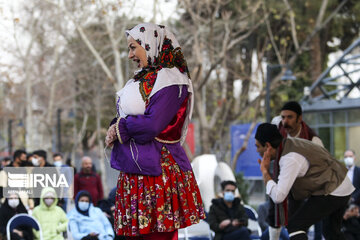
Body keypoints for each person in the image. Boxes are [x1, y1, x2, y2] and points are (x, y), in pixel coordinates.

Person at [105, 23, 205, 239]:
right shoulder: (144, 78)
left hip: (158, 174)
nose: (130, 55)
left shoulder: (171, 80)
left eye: (133, 48)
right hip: (138, 174)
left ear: (150, 44)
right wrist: (115, 126)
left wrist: (121, 126)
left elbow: (152, 125)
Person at [255, 123, 354, 240]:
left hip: (334, 189)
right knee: (331, 232)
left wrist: (265, 173)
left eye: (258, 146)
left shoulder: (289, 158)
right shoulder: (290, 145)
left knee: (295, 226)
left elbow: (278, 196)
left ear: (267, 146)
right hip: (341, 185)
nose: (257, 151)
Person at [271, 101, 324, 239]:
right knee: (274, 217)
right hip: (281, 180)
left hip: (303, 188)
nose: (285, 121)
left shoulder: (313, 139)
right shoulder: (278, 129)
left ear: (299, 119)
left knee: (298, 225)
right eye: (283, 117)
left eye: (290, 117)